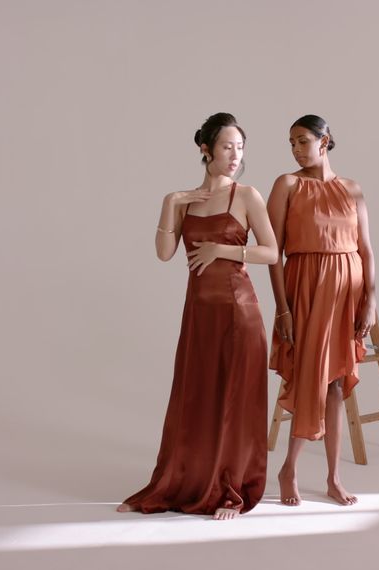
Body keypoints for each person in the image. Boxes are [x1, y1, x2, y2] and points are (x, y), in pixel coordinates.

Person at [117, 112, 278, 520]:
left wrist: (223, 250)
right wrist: (169, 204)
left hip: (240, 314)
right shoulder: (184, 200)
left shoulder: (247, 195)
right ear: (205, 149)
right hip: (199, 317)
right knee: (196, 400)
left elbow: (272, 252)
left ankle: (230, 491)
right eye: (227, 147)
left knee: (234, 403)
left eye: (240, 148)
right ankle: (182, 482)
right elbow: (164, 253)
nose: (235, 155)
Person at [267, 115, 377, 507]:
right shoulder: (288, 185)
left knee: (335, 384)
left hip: (347, 292)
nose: (295, 150)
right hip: (307, 289)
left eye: (301, 141)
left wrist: (372, 300)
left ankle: (333, 477)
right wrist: (283, 309)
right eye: (291, 143)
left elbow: (365, 248)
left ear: (324, 141)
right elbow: (272, 253)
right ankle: (289, 469)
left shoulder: (352, 188)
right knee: (311, 378)